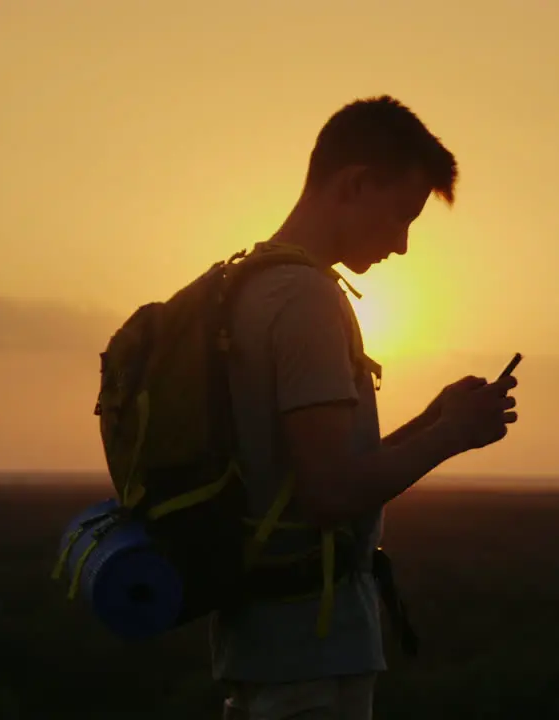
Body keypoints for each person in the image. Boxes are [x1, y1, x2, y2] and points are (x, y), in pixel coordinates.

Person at [212, 95, 519, 720]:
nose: (403, 245)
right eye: (402, 215)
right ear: (354, 185)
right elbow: (328, 494)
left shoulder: (246, 287)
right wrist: (451, 437)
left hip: (259, 647)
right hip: (311, 661)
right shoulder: (308, 302)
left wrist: (432, 420)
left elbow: (304, 475)